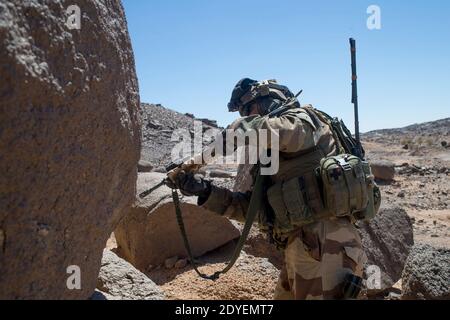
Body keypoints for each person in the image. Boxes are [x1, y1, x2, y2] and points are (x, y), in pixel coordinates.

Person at [168, 78, 380, 300]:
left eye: (248, 109)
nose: (245, 116)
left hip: (328, 243)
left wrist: (194, 161)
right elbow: (257, 210)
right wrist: (204, 191)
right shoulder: (273, 154)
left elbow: (276, 132)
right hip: (303, 247)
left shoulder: (304, 121)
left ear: (267, 100)